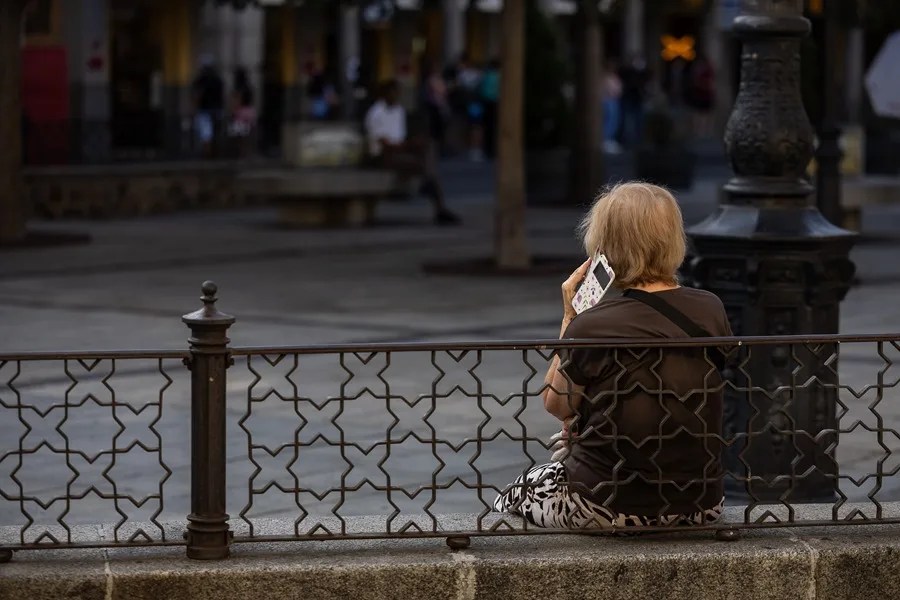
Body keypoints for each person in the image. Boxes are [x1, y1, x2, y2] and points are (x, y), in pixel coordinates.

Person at [493, 182, 731, 529]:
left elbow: (557, 404)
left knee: (511, 495)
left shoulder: (593, 324)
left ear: (606, 248)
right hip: (701, 504)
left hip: (608, 506)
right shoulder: (710, 308)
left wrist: (570, 319)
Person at [364, 79, 461, 226]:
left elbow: (399, 137)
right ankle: (437, 202)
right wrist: (409, 145)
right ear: (384, 94)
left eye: (397, 92)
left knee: (428, 147)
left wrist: (413, 144)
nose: (396, 96)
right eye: (392, 92)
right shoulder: (376, 113)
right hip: (383, 155)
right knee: (424, 166)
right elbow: (385, 144)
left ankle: (434, 194)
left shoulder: (399, 111)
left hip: (400, 150)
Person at [192, 56, 225, 157]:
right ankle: (215, 152)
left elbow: (198, 95)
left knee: (206, 133)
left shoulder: (201, 80)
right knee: (215, 131)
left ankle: (207, 153)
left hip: (205, 109)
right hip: (217, 109)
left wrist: (194, 107)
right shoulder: (218, 80)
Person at [618, 55, 649, 148]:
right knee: (627, 122)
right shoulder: (627, 72)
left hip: (638, 101)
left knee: (639, 122)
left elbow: (645, 86)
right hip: (628, 100)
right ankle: (627, 142)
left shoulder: (644, 74)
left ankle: (638, 142)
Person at [479, 59, 500, 159]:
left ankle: (487, 149)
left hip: (486, 103)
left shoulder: (486, 76)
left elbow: (481, 89)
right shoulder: (499, 76)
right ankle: (493, 149)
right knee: (494, 126)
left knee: (487, 126)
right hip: (495, 103)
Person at [601, 61, 623, 154]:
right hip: (608, 101)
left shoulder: (615, 77)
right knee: (609, 121)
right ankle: (605, 140)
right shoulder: (605, 78)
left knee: (614, 121)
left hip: (615, 101)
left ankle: (610, 140)